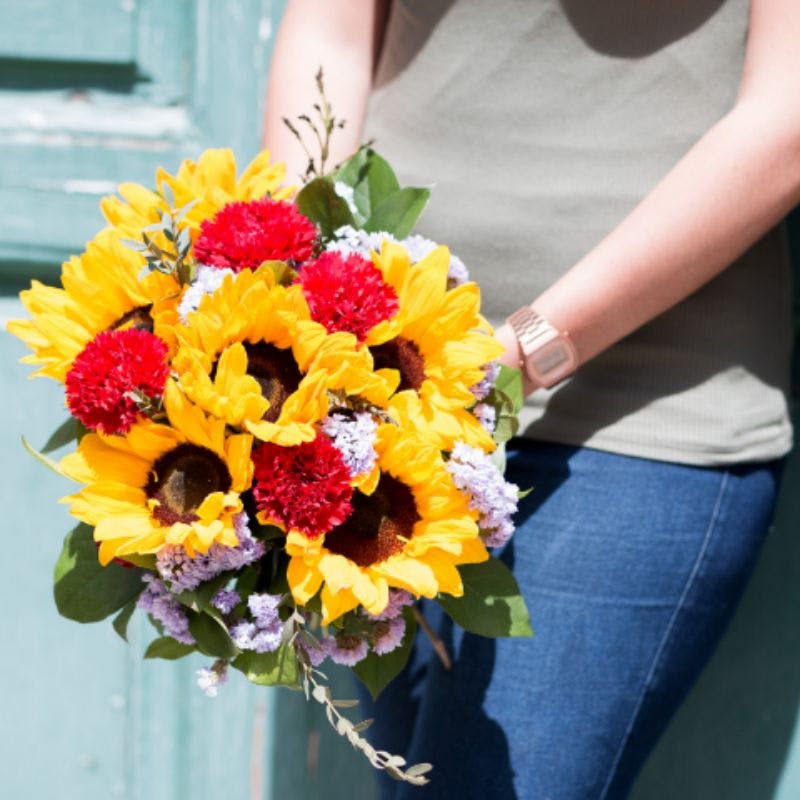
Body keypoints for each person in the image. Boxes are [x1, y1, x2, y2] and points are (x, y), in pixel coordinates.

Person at [263, 1, 798, 797]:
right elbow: (330, 35)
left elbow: (786, 116)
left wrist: (516, 353)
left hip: (642, 409)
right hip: (371, 399)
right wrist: (291, 307)